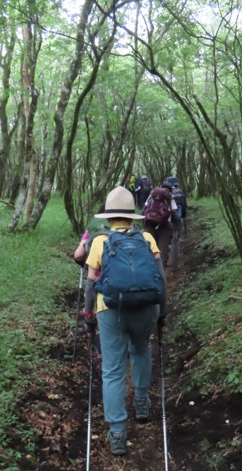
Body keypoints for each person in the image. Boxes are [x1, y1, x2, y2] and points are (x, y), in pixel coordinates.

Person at [83, 187, 167, 456]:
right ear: (133, 216)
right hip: (145, 308)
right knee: (141, 350)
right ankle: (141, 401)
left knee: (113, 369)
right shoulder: (146, 239)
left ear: (108, 217)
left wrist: (88, 316)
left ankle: (117, 431)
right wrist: (162, 312)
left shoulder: (99, 242)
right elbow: (161, 279)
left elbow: (91, 285)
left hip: (109, 310)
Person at [142, 185, 178, 269]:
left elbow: (144, 209)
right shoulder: (170, 197)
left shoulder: (152, 196)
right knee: (163, 250)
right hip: (164, 226)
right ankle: (161, 271)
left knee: (150, 247)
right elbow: (174, 211)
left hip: (150, 225)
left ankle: (149, 269)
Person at [162, 176, 187, 271]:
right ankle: (174, 265)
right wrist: (182, 216)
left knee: (164, 241)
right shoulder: (180, 193)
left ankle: (163, 263)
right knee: (175, 241)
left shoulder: (164, 192)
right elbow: (184, 208)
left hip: (164, 220)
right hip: (176, 221)